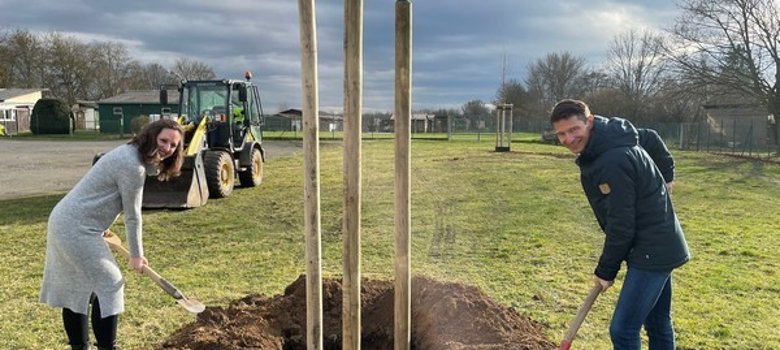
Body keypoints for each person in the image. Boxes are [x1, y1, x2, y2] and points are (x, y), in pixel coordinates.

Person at [550, 99, 690, 350]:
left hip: (652, 250)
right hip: (660, 243)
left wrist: (606, 270)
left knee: (623, 330)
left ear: (589, 122)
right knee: (657, 321)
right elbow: (648, 137)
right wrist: (666, 176)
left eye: (574, 130)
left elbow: (621, 224)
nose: (568, 139)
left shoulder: (610, 160)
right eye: (561, 134)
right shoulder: (612, 139)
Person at [40, 119, 184, 350]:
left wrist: (101, 223)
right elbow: (133, 215)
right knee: (110, 283)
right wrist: (136, 255)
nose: (167, 148)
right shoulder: (132, 165)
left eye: (173, 145)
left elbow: (103, 193)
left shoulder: (129, 153)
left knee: (80, 286)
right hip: (75, 227)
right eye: (163, 140)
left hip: (68, 220)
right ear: (150, 136)